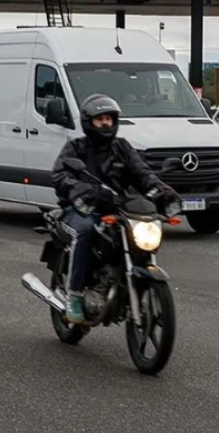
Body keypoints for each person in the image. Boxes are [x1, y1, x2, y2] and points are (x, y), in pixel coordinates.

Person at [51, 94, 179, 325]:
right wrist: (87, 192)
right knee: (87, 231)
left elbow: (141, 172)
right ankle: (75, 296)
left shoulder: (122, 148)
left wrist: (160, 189)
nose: (106, 123)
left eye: (109, 118)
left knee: (136, 235)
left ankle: (120, 281)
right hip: (81, 209)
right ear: (89, 122)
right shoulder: (76, 148)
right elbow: (61, 176)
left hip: (117, 208)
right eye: (100, 119)